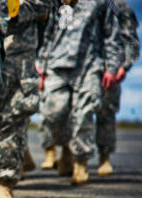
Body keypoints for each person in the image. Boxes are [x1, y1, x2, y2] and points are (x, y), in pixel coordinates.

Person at [0, 0, 52, 198]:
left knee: (14, 118)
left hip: (19, 54)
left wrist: (13, 9)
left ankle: (5, 183)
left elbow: (46, 5)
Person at [37, 0, 124, 185]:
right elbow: (48, 35)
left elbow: (112, 35)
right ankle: (66, 147)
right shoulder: (57, 2)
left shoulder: (101, 3)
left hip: (90, 65)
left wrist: (112, 67)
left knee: (83, 114)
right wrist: (41, 67)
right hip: (56, 65)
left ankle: (80, 163)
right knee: (52, 114)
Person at [95, 0, 140, 176]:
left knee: (106, 110)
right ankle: (71, 156)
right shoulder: (73, 5)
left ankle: (104, 156)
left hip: (109, 65)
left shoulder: (119, 6)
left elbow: (130, 38)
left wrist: (125, 65)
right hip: (78, 65)